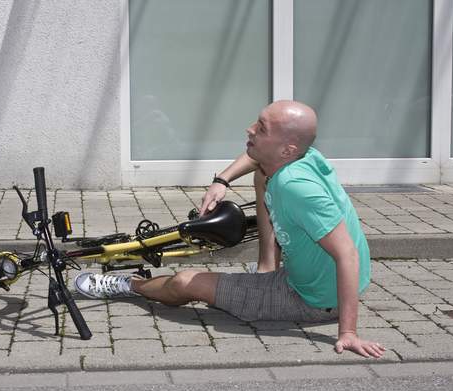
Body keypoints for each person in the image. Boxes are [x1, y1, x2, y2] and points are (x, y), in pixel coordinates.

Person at [75, 100, 385, 358]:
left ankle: (126, 285)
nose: (249, 129)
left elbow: (347, 254)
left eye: (261, 129)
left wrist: (348, 332)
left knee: (184, 283)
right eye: (257, 122)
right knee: (263, 175)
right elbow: (255, 157)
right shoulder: (303, 157)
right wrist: (221, 181)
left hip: (312, 299)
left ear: (287, 149)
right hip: (327, 283)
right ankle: (266, 269)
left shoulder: (296, 187)